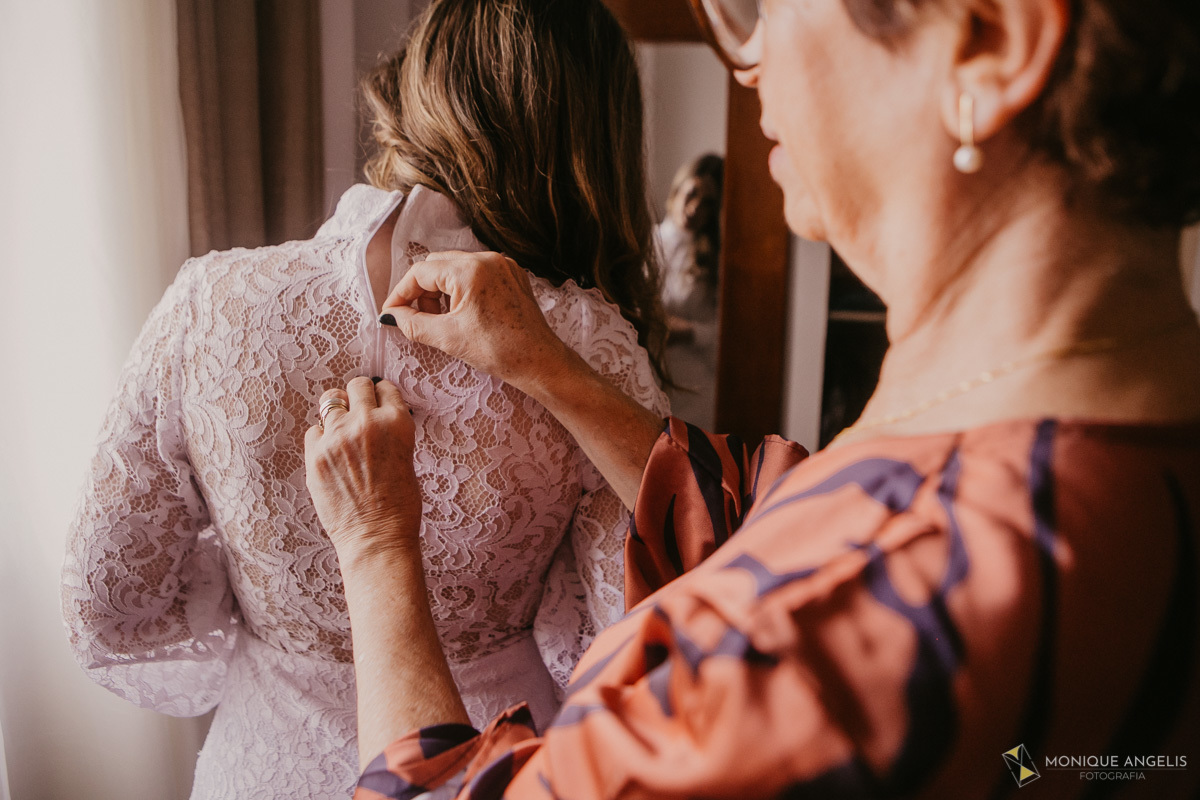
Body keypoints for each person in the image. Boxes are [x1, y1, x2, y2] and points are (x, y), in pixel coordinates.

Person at [305, 0, 1200, 797]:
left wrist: (379, 548)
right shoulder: (1116, 439)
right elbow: (766, 525)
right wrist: (550, 368)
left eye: (762, 7)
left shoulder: (844, 640)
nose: (748, 59)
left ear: (990, 43)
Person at [60, 1, 669, 797]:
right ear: (592, 140)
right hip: (488, 756)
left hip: (262, 764)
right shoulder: (588, 345)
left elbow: (109, 600)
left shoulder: (209, 305)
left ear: (416, 93)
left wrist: (256, 588)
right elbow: (641, 624)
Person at [656, 154, 725, 429]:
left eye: (707, 203)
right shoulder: (643, 244)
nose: (695, 207)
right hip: (648, 380)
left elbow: (724, 335)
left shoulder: (714, 261)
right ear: (678, 188)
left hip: (693, 388)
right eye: (692, 193)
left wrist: (686, 331)